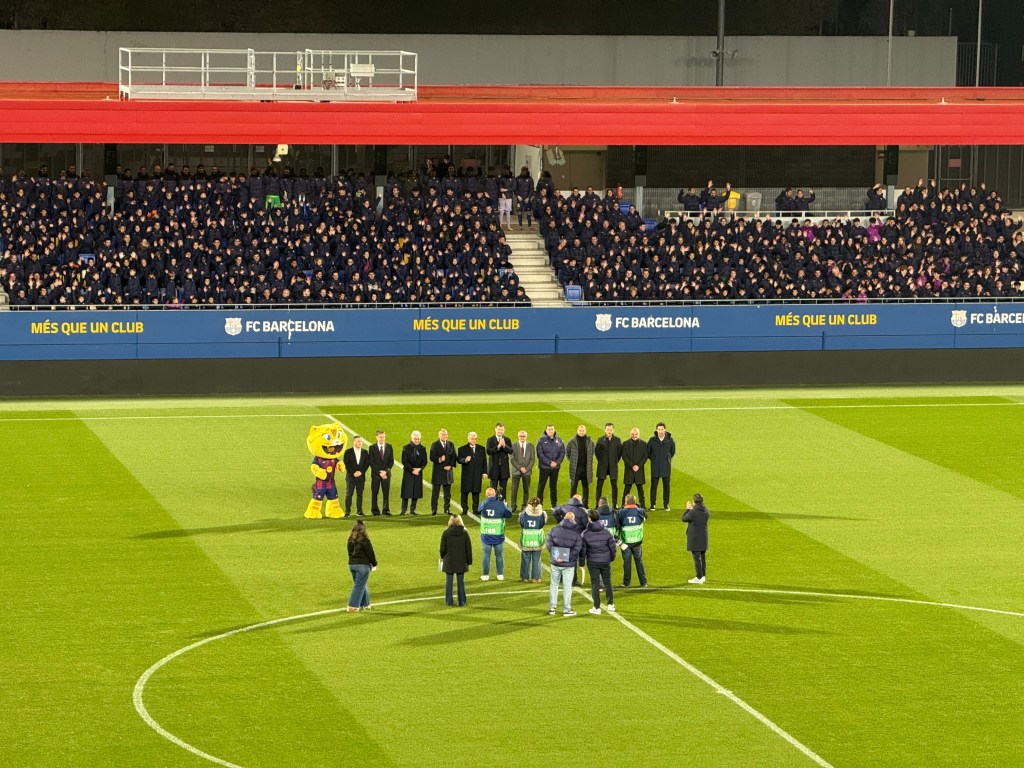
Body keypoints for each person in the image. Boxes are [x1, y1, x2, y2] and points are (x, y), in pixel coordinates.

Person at [546, 510, 582, 616]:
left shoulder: (554, 530)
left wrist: (557, 556)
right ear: (572, 520)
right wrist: (565, 557)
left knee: (554, 585)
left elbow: (549, 543)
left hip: (555, 563)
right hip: (568, 564)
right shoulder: (576, 533)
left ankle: (552, 608)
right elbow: (577, 549)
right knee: (567, 586)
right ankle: (566, 609)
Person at [580, 509, 617, 614]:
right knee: (607, 582)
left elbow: (583, 551)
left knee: (595, 584)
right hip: (606, 561)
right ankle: (610, 604)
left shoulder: (585, 534)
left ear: (589, 519)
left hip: (592, 562)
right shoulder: (607, 532)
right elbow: (613, 547)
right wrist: (611, 558)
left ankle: (596, 607)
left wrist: (581, 563)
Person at [478, 487, 512, 580]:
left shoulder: (484, 504)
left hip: (486, 534)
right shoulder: (501, 504)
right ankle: (500, 574)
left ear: (486, 495)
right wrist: (505, 505)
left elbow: (478, 510)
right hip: (498, 535)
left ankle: (485, 575)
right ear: (495, 495)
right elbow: (509, 514)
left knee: (486, 555)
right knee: (499, 554)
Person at [440, 514, 473, 607]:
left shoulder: (446, 533)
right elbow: (468, 548)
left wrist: (443, 557)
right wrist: (469, 561)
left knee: (449, 582)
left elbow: (442, 549)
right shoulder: (464, 533)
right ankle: (462, 602)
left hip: (449, 560)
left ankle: (449, 602)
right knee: (461, 582)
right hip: (461, 561)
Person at [617, 494, 648, 588]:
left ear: (625, 502)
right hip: (637, 541)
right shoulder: (641, 511)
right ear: (635, 502)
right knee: (639, 561)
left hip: (625, 542)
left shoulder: (621, 512)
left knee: (627, 562)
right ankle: (643, 582)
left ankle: (626, 582)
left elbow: (618, 523)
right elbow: (645, 517)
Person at [346, 520, 377, 613]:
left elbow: (349, 552)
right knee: (359, 585)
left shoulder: (350, 539)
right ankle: (353, 606)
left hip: (352, 565)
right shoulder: (365, 541)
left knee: (361, 584)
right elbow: (370, 553)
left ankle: (365, 604)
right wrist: (374, 563)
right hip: (363, 567)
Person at [647, 422, 676, 512]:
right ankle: (653, 504)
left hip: (666, 467)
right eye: (659, 429)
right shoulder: (652, 440)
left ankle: (666, 504)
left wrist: (667, 459)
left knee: (666, 486)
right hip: (655, 467)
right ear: (656, 430)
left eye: (662, 429)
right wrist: (654, 459)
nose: (660, 431)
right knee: (653, 486)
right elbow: (648, 452)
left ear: (665, 430)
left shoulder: (670, 440)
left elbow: (672, 452)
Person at [457, 431, 488, 514]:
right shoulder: (462, 449)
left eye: (474, 439)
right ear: (468, 439)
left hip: (477, 474)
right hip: (467, 475)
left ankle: (475, 509)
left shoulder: (481, 449)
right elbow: (459, 460)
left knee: (476, 492)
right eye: (471, 438)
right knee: (465, 493)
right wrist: (465, 460)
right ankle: (464, 509)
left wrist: (485, 472)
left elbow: (484, 461)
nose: (473, 440)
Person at [429, 428, 458, 516]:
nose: (445, 436)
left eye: (446, 434)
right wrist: (439, 459)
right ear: (439, 435)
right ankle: (434, 510)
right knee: (435, 494)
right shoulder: (435, 445)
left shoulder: (451, 444)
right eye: (443, 434)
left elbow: (454, 457)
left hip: (447, 473)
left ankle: (447, 509)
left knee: (447, 494)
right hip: (438, 473)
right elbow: (431, 457)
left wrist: (450, 466)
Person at [682, 493, 710, 584]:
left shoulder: (693, 512)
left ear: (694, 501)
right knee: (702, 556)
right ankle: (703, 576)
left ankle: (699, 577)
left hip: (695, 538)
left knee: (697, 558)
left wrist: (687, 509)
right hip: (704, 537)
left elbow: (684, 519)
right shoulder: (706, 510)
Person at [565, 424, 595, 507]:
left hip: (586, 468)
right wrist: (572, 461)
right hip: (575, 469)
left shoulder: (590, 441)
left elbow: (592, 451)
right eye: (580, 431)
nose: (581, 432)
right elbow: (567, 452)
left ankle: (585, 505)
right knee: (573, 487)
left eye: (583, 431)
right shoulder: (572, 441)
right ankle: (572, 505)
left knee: (586, 487)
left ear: (585, 431)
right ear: (577, 431)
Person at [518, 496, 547, 583]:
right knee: (536, 560)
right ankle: (536, 578)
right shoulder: (542, 514)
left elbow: (521, 523)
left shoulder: (523, 514)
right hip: (537, 540)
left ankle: (525, 577)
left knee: (525, 559)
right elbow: (542, 524)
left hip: (527, 539)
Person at [536, 424, 565, 507]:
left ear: (554, 430)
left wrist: (556, 463)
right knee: (541, 486)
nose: (550, 431)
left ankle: (554, 504)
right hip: (544, 468)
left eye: (552, 429)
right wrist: (549, 463)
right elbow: (540, 454)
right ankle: (539, 504)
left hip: (555, 468)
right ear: (546, 430)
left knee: (553, 487)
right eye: (549, 429)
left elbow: (562, 453)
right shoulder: (541, 440)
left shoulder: (559, 440)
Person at [400, 430, 428, 516]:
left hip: (418, 472)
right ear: (412, 438)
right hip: (409, 472)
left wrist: (419, 469)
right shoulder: (406, 447)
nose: (417, 440)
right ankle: (403, 510)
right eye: (415, 438)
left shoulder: (423, 448)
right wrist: (412, 470)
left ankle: (412, 510)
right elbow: (404, 461)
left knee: (416, 492)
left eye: (418, 439)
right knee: (406, 492)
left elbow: (425, 461)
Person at [595, 422, 622, 508]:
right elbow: (597, 452)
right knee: (599, 485)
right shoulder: (600, 440)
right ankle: (597, 504)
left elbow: (619, 453)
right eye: (608, 430)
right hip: (602, 466)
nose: (609, 431)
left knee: (614, 485)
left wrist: (614, 461)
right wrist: (602, 461)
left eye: (610, 430)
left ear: (613, 430)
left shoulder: (617, 440)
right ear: (605, 430)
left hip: (613, 466)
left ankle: (614, 504)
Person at [368, 429, 395, 516]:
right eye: (380, 437)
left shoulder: (389, 447)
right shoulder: (372, 448)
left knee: (386, 492)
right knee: (374, 492)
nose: (382, 439)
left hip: (386, 474)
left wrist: (385, 472)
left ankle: (386, 510)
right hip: (376, 474)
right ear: (376, 437)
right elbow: (371, 462)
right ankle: (375, 510)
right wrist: (380, 472)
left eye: (383, 437)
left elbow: (391, 461)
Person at [621, 427, 649, 509]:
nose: (634, 436)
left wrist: (638, 466)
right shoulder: (625, 444)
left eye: (636, 434)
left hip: (639, 470)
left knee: (640, 489)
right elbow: (624, 456)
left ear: (639, 434)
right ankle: (623, 505)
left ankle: (643, 506)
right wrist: (632, 465)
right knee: (626, 489)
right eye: (632, 434)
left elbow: (645, 456)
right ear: (630, 434)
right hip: (629, 470)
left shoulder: (643, 444)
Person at [342, 434, 370, 516]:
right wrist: (353, 473)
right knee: (349, 494)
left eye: (361, 441)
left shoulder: (365, 452)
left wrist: (361, 472)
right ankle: (347, 511)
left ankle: (359, 511)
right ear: (354, 442)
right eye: (358, 441)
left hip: (361, 477)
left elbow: (367, 463)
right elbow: (346, 464)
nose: (360, 443)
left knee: (360, 494)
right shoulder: (348, 452)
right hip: (351, 477)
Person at [510, 429, 535, 512]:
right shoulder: (513, 446)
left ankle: (524, 505)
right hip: (516, 471)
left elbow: (532, 459)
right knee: (514, 489)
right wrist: (520, 468)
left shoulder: (530, 446)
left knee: (526, 489)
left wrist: (526, 469)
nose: (522, 437)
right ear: (518, 437)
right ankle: (513, 505)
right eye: (520, 436)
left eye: (523, 436)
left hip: (527, 472)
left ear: (526, 437)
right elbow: (512, 459)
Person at [486, 422, 513, 499]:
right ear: (495, 429)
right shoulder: (490, 440)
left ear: (504, 430)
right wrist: (498, 446)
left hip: (504, 469)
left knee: (503, 490)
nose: (500, 431)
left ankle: (502, 506)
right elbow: (488, 451)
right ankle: (493, 506)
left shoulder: (507, 440)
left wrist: (504, 445)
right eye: (498, 429)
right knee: (493, 489)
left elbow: (511, 451)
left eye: (501, 430)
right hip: (494, 469)